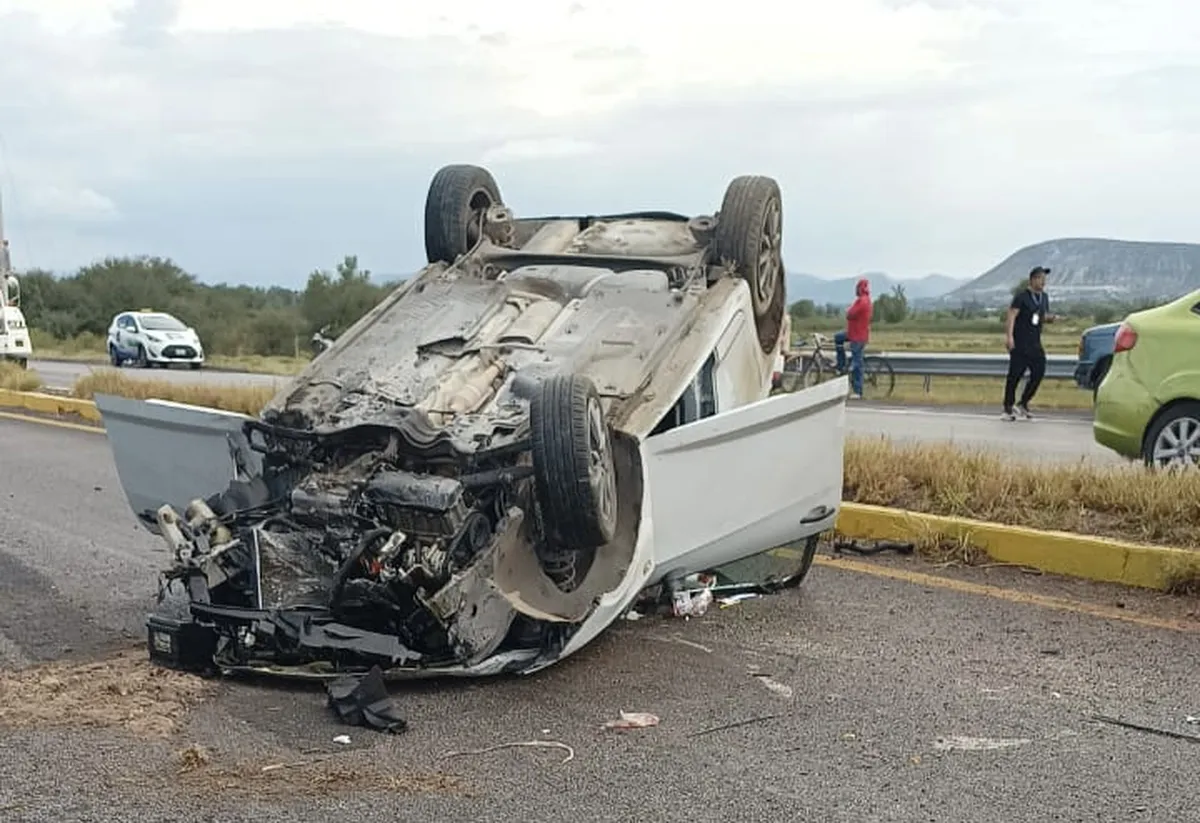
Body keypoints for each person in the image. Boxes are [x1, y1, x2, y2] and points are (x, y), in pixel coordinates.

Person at [1003, 265, 1059, 420]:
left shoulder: (1044, 298)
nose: (1043, 282)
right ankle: (1008, 408)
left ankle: (1023, 402)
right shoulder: (1021, 297)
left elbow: (1041, 316)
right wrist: (1009, 337)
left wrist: (1050, 319)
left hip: (1035, 342)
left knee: (1039, 371)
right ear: (1032, 280)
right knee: (1015, 375)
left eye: (1044, 279)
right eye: (1040, 279)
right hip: (1020, 342)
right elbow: (1011, 316)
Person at [834, 278, 872, 399]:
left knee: (857, 364)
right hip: (855, 333)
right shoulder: (865, 300)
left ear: (860, 289)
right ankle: (841, 364)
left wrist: (848, 310)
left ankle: (858, 391)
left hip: (857, 336)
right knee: (838, 338)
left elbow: (850, 314)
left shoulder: (862, 301)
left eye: (857, 288)